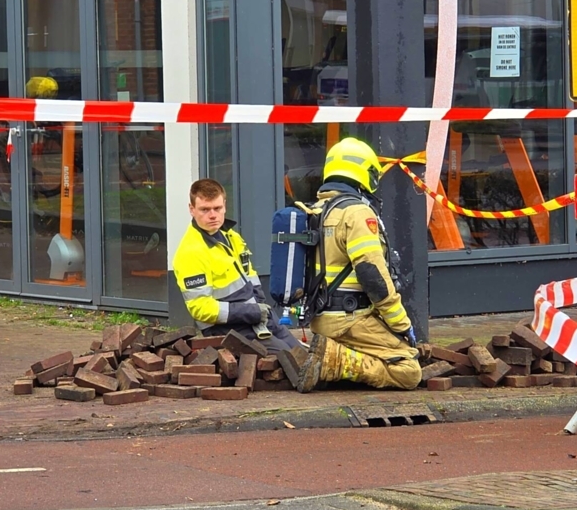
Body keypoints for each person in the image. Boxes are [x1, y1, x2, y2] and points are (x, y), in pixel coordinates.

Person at [294, 137, 422, 392]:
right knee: (409, 371)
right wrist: (402, 324)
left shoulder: (318, 210)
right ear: (363, 172)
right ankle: (337, 361)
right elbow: (371, 275)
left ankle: (330, 356)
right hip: (349, 319)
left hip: (321, 319)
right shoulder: (356, 213)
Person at [173, 178, 299, 352]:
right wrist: (251, 312)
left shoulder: (231, 236)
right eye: (204, 209)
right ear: (191, 209)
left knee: (302, 355)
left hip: (256, 317)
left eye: (217, 208)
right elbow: (200, 309)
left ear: (224, 205)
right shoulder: (191, 252)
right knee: (290, 360)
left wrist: (259, 306)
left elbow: (250, 273)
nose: (212, 215)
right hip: (226, 329)